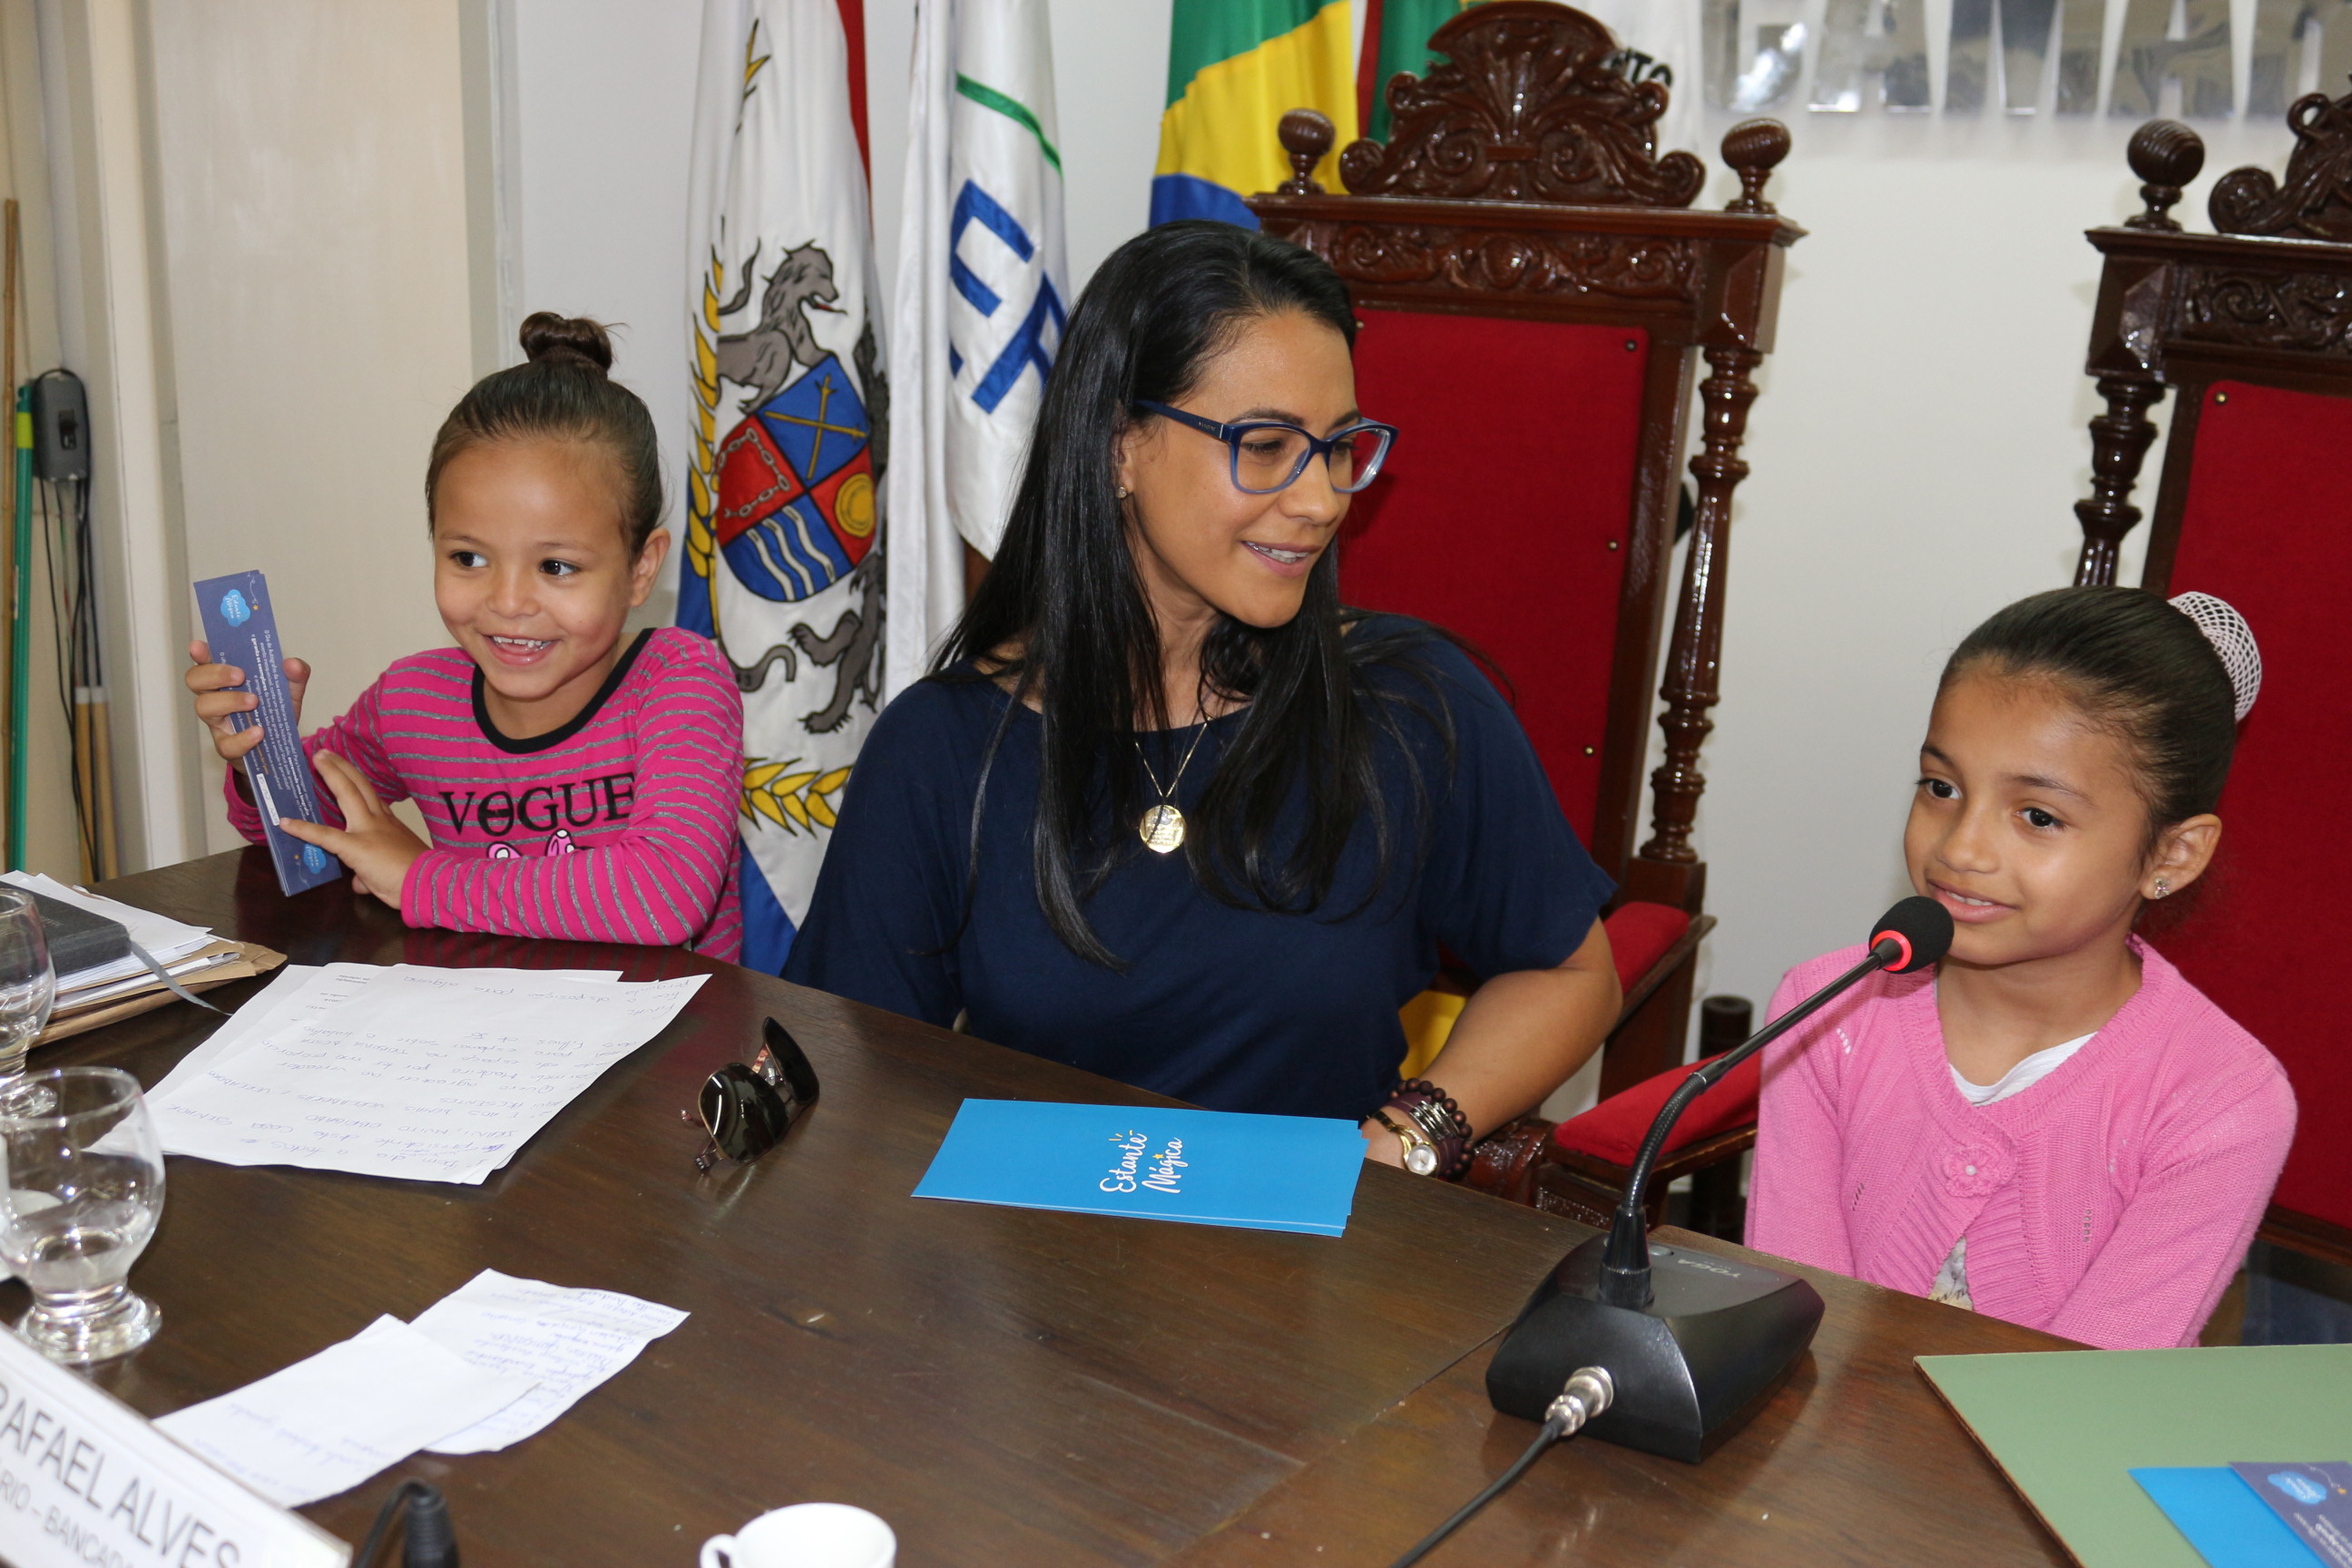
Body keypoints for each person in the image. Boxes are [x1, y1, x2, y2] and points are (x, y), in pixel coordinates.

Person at [784, 221, 1622, 1171]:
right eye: (1265, 445)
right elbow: (842, 1066)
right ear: (1120, 446)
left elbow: (1572, 972)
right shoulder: (944, 749)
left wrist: (1405, 1141)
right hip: (1030, 1244)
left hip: (1319, 1245)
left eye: (1338, 448)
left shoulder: (1404, 705)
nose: (1322, 501)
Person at [1747, 586, 2296, 1349]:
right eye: (1942, 788)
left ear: (2172, 854)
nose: (1961, 848)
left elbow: (2087, 1392)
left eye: (2038, 816)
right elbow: (1792, 1324)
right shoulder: (1828, 1013)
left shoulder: (2219, 1102)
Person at [184, 313, 745, 958]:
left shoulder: (679, 682)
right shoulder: (414, 700)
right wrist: (263, 750)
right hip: (478, 1015)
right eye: (469, 558)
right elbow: (296, 827)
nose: (507, 603)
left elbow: (664, 895)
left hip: (675, 1022)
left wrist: (421, 880)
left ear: (641, 569)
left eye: (556, 567)